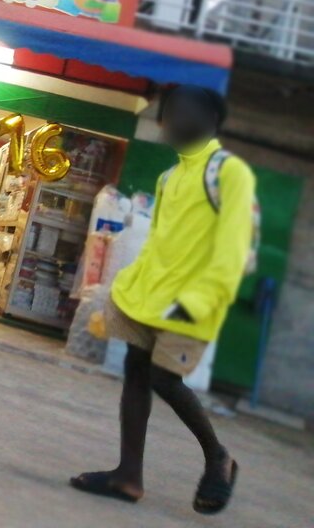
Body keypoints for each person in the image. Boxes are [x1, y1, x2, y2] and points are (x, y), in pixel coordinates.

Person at [71, 85, 255, 515]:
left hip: (193, 301)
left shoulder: (229, 172)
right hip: (149, 295)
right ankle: (128, 477)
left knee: (163, 377)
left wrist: (197, 302)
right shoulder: (169, 177)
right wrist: (124, 288)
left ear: (212, 119)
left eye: (184, 111)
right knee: (136, 372)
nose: (173, 121)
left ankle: (217, 457)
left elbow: (234, 249)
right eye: (168, 113)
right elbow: (159, 243)